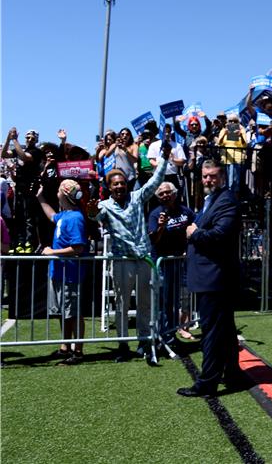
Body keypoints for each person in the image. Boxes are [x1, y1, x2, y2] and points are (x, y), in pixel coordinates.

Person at [88, 142, 171, 362]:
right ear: (109, 187)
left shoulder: (137, 197)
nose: (119, 187)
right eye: (115, 184)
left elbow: (155, 181)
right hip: (122, 261)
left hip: (143, 259)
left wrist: (163, 158)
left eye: (123, 183)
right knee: (122, 304)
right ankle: (123, 345)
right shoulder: (105, 206)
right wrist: (91, 210)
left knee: (145, 303)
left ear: (127, 185)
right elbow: (94, 217)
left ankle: (143, 342)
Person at [177, 158, 249, 397]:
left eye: (213, 176)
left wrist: (195, 233)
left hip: (216, 277)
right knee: (225, 329)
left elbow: (220, 235)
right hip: (210, 276)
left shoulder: (227, 201)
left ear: (222, 177)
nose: (208, 179)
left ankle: (207, 382)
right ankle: (234, 374)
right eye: (205, 176)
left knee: (211, 331)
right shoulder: (211, 200)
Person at [37, 179, 88, 365]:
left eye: (59, 190)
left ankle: (78, 351)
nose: (57, 193)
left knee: (73, 313)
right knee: (64, 312)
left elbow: (77, 248)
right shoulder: (65, 215)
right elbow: (51, 216)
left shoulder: (75, 218)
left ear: (64, 194)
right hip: (59, 272)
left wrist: (52, 252)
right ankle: (65, 346)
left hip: (70, 274)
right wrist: (40, 198)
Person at [148, 181, 196, 342]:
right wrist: (161, 226)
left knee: (178, 299)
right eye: (160, 194)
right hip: (162, 263)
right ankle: (163, 335)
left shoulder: (186, 212)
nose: (164, 195)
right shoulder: (155, 214)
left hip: (180, 262)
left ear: (175, 194)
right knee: (164, 301)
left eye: (167, 192)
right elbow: (153, 239)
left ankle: (175, 331)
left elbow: (195, 229)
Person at [2, 127, 43, 253]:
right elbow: (4, 154)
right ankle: (19, 242)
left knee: (29, 217)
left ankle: (29, 243)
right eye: (27, 137)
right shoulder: (20, 148)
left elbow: (24, 157)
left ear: (36, 139)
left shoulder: (36, 151)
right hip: (19, 187)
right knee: (18, 216)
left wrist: (15, 140)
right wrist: (8, 138)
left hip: (30, 188)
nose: (29, 139)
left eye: (32, 137)